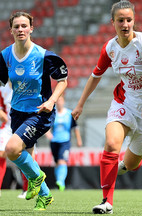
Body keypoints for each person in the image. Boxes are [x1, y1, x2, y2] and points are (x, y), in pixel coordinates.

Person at [72, 0, 142, 214]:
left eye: (129, 20)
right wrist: (80, 104)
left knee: (130, 165)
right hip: (125, 102)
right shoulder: (110, 48)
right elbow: (95, 76)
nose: (125, 24)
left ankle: (118, 167)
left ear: (134, 21)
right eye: (121, 20)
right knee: (111, 144)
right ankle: (106, 202)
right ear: (113, 23)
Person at [0, 12, 68, 210]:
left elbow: (63, 81)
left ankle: (37, 178)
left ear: (31, 29)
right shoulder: (5, 56)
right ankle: (45, 195)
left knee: (12, 149)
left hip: (39, 112)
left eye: (24, 26)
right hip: (17, 113)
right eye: (17, 26)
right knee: (26, 155)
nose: (20, 30)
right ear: (11, 30)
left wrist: (52, 101)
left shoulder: (43, 55)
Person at [45, 94, 82, 191]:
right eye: (57, 101)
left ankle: (61, 181)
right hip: (54, 141)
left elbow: (75, 127)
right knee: (57, 162)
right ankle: (59, 181)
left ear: (64, 102)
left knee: (62, 161)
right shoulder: (53, 114)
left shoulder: (69, 114)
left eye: (61, 100)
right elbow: (46, 126)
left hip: (65, 141)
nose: (59, 103)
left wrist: (79, 140)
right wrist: (48, 134)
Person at [0, 83, 12, 196]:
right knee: (1, 154)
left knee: (26, 155)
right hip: (7, 126)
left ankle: (27, 188)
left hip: (22, 125)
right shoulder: (2, 90)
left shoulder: (24, 86)